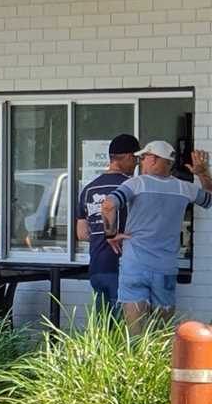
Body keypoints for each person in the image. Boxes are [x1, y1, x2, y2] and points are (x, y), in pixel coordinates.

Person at [102, 142, 212, 335]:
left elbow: (108, 206)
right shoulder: (184, 188)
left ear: (154, 159)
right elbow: (210, 199)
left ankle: (135, 363)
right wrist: (202, 173)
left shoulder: (136, 183)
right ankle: (157, 364)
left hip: (134, 266)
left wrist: (111, 235)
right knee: (161, 334)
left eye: (143, 157)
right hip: (165, 268)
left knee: (134, 335)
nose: (140, 162)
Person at [75, 134, 140, 315]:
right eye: (136, 159)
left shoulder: (88, 189)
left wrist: (100, 233)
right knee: (123, 328)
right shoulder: (130, 187)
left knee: (103, 328)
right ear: (128, 156)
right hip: (121, 266)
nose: (136, 164)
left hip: (96, 267)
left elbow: (81, 234)